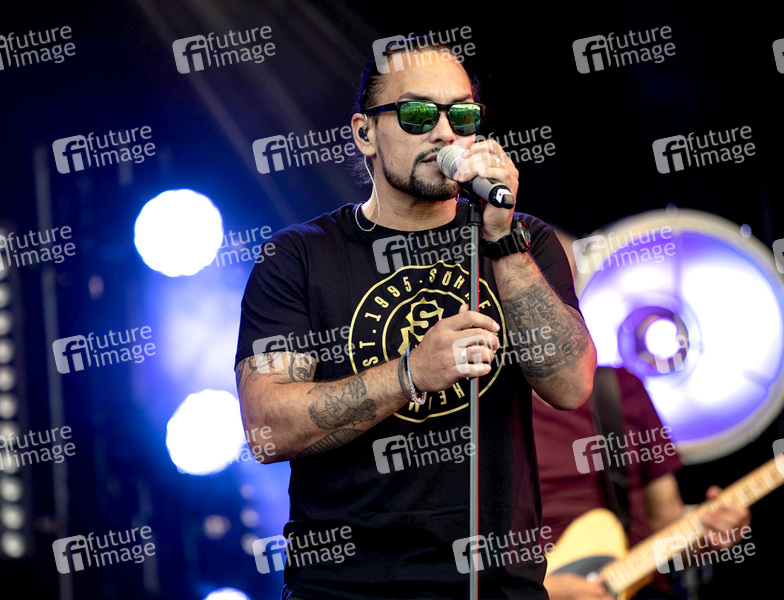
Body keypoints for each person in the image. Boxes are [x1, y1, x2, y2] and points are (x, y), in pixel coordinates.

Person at [234, 38, 596, 600]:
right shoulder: (299, 256)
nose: (445, 132)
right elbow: (267, 429)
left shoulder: (524, 241)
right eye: (419, 114)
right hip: (346, 591)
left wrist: (502, 241)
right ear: (365, 134)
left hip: (499, 586)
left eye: (463, 115)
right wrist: (411, 373)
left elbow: (570, 386)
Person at [534, 230, 752, 600]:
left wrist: (711, 534)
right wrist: (546, 592)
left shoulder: (619, 388)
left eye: (563, 285)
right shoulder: (471, 406)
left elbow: (668, 526)